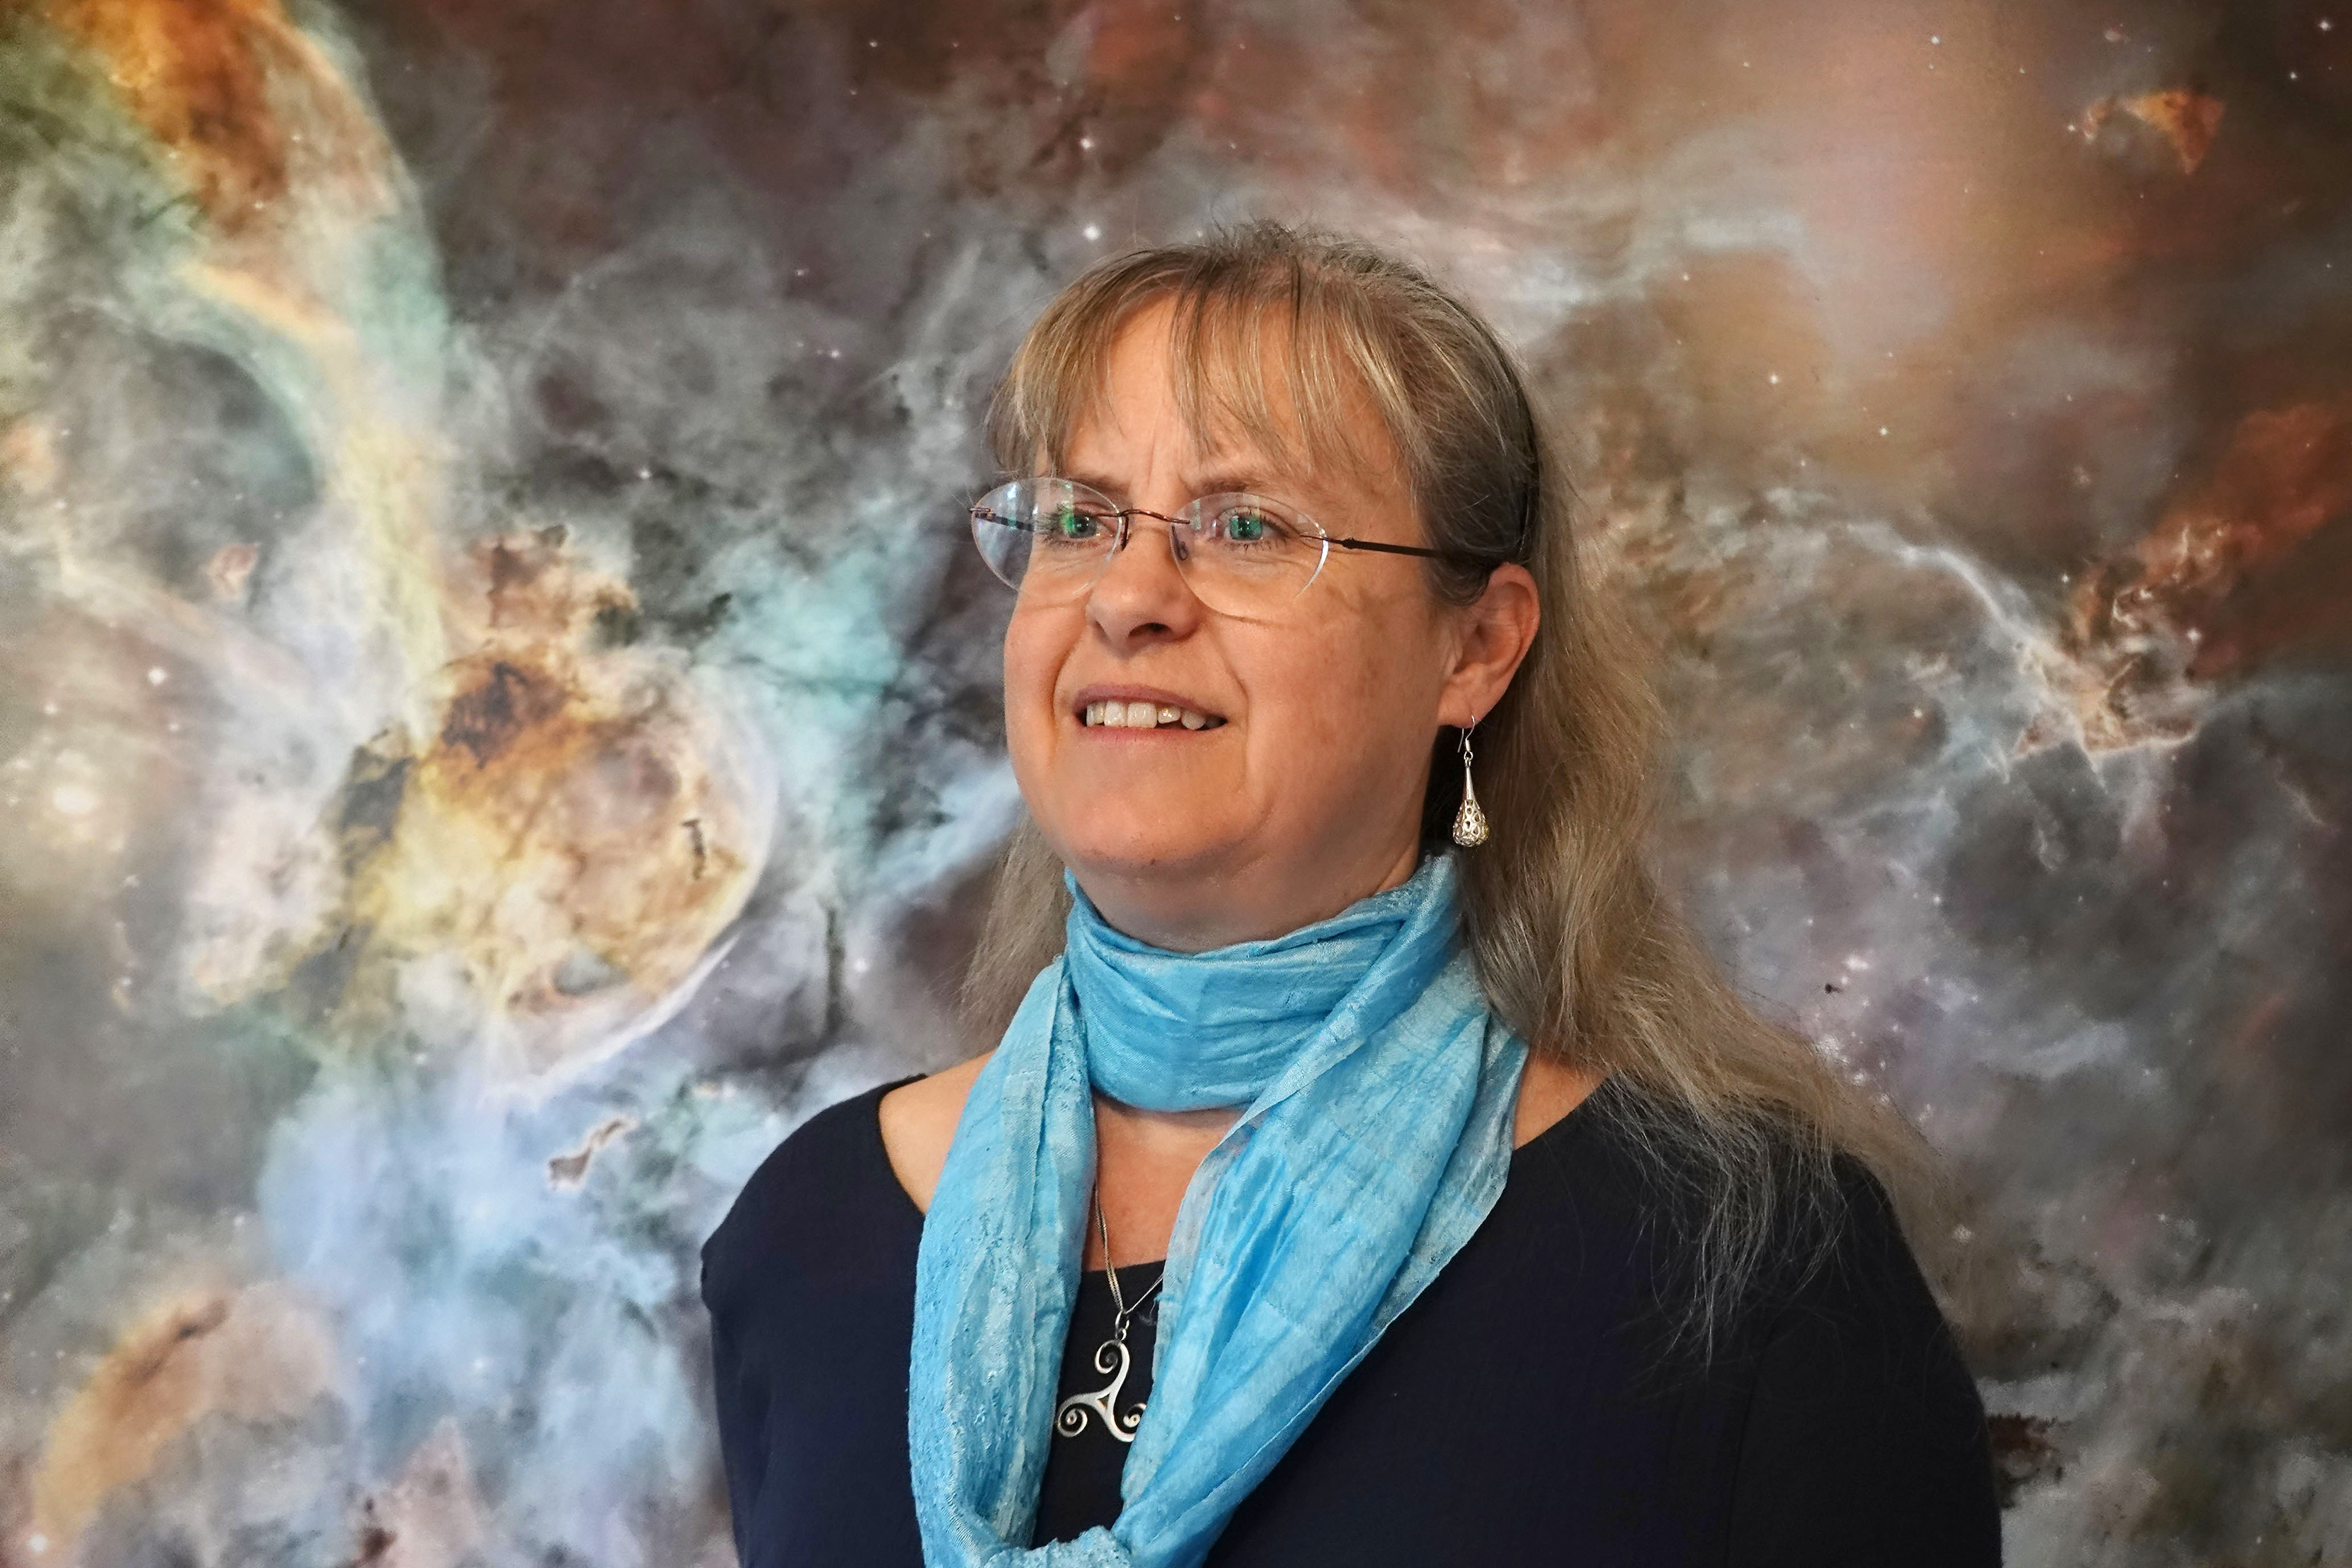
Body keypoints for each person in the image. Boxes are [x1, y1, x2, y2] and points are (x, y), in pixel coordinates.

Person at [700, 222, 2002, 1568]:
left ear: (1477, 649)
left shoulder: (1743, 1266)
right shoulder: (808, 1239)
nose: (1129, 596)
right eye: (1080, 519)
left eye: (1246, 526)